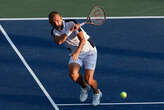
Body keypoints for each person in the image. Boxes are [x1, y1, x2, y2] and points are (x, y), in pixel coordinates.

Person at [48, 11, 102, 106]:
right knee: (73, 74)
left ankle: (97, 92)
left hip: (89, 51)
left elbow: (83, 40)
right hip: (75, 52)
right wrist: (69, 31)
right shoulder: (54, 32)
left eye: (57, 20)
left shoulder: (71, 23)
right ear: (50, 23)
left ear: (61, 18)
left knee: (88, 79)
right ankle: (84, 87)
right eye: (53, 22)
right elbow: (60, 41)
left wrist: (77, 52)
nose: (56, 23)